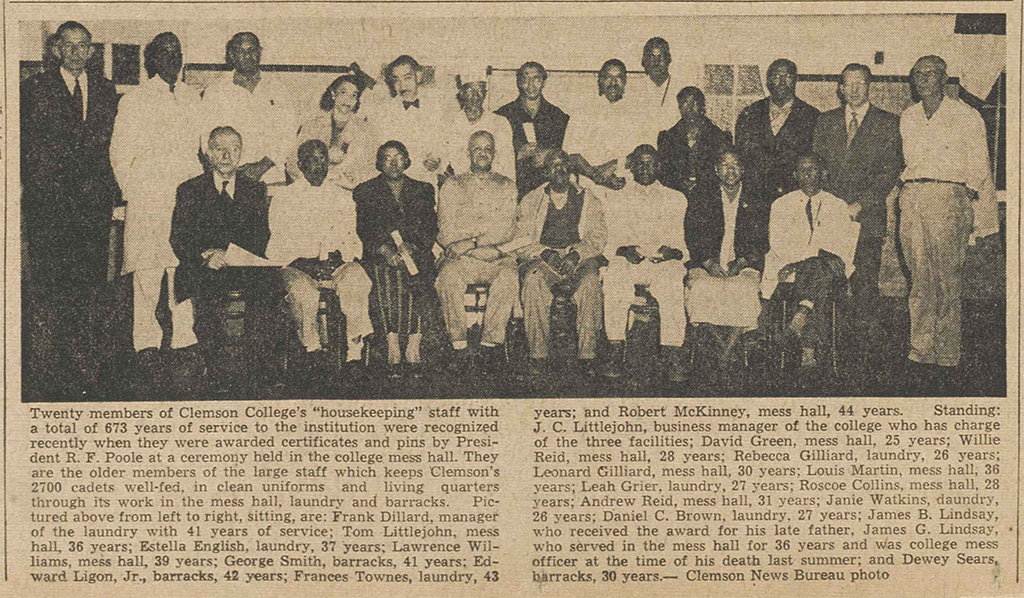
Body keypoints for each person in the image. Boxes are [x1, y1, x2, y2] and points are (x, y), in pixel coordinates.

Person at [20, 21, 120, 395]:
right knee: (50, 288)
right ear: (56, 50)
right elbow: (29, 151)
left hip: (93, 208)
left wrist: (104, 195)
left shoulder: (107, 90)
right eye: (71, 46)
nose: (79, 53)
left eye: (86, 46)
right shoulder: (35, 89)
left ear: (93, 51)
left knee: (89, 287)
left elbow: (112, 148)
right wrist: (54, 192)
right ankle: (47, 370)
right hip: (50, 208)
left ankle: (85, 366)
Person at [110, 32, 202, 384]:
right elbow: (119, 154)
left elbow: (202, 148)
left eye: (177, 52)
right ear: (151, 59)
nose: (172, 58)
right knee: (148, 272)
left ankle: (184, 337)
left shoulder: (193, 97)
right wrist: (138, 193)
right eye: (164, 53)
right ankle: (145, 341)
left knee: (183, 268)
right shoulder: (134, 99)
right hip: (149, 197)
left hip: (186, 197)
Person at [898, 55, 995, 370]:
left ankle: (947, 351)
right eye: (918, 75)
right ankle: (921, 346)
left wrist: (960, 200)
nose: (923, 80)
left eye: (930, 74)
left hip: (947, 197)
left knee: (946, 278)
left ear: (944, 78)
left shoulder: (966, 116)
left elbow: (979, 166)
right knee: (919, 278)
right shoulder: (908, 116)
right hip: (912, 196)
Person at [169, 127, 271, 385]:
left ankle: (255, 367)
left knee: (269, 289)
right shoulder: (190, 190)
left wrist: (231, 253)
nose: (227, 155)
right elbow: (179, 237)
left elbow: (261, 236)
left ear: (241, 153)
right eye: (219, 149)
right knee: (205, 293)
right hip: (203, 267)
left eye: (234, 149)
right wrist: (205, 255)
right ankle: (214, 369)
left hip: (242, 265)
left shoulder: (254, 190)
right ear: (208, 154)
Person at [266, 140, 373, 371]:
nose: (319, 164)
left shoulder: (342, 197)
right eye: (312, 159)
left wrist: (340, 258)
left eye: (323, 158)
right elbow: (279, 241)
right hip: (298, 266)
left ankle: (354, 351)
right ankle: (311, 349)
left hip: (335, 264)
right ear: (301, 164)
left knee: (357, 279)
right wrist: (307, 262)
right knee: (303, 292)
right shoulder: (284, 198)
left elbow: (352, 237)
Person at [812, 63, 903, 300]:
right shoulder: (825, 121)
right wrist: (831, 207)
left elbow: (889, 173)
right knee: (831, 285)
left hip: (868, 218)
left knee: (864, 286)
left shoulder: (888, 122)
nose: (854, 89)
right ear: (840, 88)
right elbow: (818, 169)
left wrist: (859, 205)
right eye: (848, 84)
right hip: (831, 217)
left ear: (869, 86)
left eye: (860, 83)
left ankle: (862, 337)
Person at [600, 145, 689, 381]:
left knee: (672, 279)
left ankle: (673, 351)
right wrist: (623, 250)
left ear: (659, 166)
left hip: (662, 262)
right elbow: (610, 241)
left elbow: (681, 245)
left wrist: (673, 252)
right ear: (632, 166)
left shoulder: (676, 198)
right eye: (640, 162)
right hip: (631, 261)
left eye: (650, 163)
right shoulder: (616, 197)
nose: (645, 167)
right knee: (614, 274)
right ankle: (615, 347)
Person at [762, 154, 859, 368]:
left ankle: (802, 314)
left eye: (813, 169)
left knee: (818, 268)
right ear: (795, 175)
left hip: (822, 270)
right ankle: (808, 343)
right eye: (802, 169)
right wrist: (806, 260)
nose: (807, 173)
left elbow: (840, 247)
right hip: (795, 269)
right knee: (818, 271)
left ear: (824, 174)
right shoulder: (781, 205)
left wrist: (801, 263)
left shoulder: (838, 205)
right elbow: (777, 242)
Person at [515, 150, 606, 372]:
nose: (560, 170)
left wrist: (577, 253)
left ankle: (587, 356)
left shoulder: (588, 199)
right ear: (545, 171)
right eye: (554, 166)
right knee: (533, 282)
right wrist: (544, 252)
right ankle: (538, 354)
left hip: (579, 258)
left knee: (590, 284)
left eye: (564, 164)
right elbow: (520, 238)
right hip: (543, 259)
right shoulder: (531, 200)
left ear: (570, 169)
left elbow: (598, 236)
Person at [435, 132, 519, 371]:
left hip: (495, 258)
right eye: (477, 148)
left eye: (487, 149)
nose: (482, 153)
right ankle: (458, 344)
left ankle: (491, 345)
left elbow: (506, 230)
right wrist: (475, 249)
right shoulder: (452, 185)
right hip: (462, 259)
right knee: (447, 276)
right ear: (468, 153)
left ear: (494, 154)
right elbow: (445, 231)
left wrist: (470, 244)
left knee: (509, 276)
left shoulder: (506, 185)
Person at [355, 141, 438, 374]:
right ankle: (391, 340)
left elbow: (430, 226)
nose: (393, 162)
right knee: (385, 273)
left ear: (408, 161)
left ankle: (414, 340)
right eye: (387, 157)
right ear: (378, 163)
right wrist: (385, 250)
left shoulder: (423, 189)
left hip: (415, 251)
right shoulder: (365, 190)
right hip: (381, 253)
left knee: (419, 271)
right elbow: (365, 227)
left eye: (399, 157)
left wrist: (413, 245)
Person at [684, 147, 768, 365]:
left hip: (744, 262)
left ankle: (724, 352)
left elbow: (762, 238)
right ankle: (727, 348)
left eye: (735, 165)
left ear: (743, 169)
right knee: (700, 288)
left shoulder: (757, 197)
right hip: (707, 262)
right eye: (724, 165)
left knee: (746, 289)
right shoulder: (702, 195)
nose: (730, 171)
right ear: (716, 170)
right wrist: (709, 262)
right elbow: (692, 233)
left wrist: (741, 262)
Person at [199, 32, 293, 185]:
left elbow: (287, 134)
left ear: (260, 52)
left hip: (271, 176)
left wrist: (261, 167)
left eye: (252, 50)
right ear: (232, 55)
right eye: (241, 51)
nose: (247, 56)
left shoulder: (278, 89)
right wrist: (231, 171)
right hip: (229, 180)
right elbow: (207, 140)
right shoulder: (215, 91)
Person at [735, 59, 820, 206]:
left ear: (795, 80)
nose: (781, 82)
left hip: (794, 199)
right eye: (776, 76)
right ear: (767, 82)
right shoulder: (749, 114)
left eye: (787, 76)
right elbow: (741, 158)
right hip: (755, 199)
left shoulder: (812, 117)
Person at [564, 59, 656, 191]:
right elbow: (571, 156)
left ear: (625, 82)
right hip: (589, 188)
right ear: (600, 81)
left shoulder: (639, 114)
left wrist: (616, 164)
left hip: (628, 190)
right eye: (608, 77)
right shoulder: (582, 113)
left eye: (618, 77)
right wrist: (596, 175)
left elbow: (645, 152)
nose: (613, 82)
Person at [287, 72, 378, 192]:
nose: (348, 100)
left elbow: (374, 167)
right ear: (333, 94)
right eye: (343, 92)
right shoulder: (312, 125)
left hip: (348, 192)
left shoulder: (366, 129)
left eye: (354, 95)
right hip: (311, 190)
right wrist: (309, 185)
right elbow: (293, 162)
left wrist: (354, 183)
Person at [495, 61, 570, 200]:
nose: (531, 85)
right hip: (512, 190)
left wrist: (548, 155)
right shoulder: (503, 115)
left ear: (544, 82)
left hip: (548, 193)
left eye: (536, 79)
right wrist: (517, 155)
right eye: (525, 79)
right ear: (518, 82)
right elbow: (493, 156)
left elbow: (567, 155)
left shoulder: (558, 116)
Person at [369, 55, 446, 187]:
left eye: (407, 78)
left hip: (426, 182)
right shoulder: (383, 113)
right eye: (396, 80)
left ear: (419, 76)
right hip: (393, 183)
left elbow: (444, 144)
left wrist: (438, 162)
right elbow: (379, 153)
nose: (402, 86)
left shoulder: (436, 109)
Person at [439, 68, 515, 186]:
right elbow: (441, 165)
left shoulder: (499, 123)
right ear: (462, 93)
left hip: (493, 189)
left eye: (480, 90)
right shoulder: (449, 124)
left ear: (485, 93)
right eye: (470, 91)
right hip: (459, 190)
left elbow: (508, 166)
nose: (475, 97)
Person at [658, 86, 732, 194]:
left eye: (695, 103)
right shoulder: (667, 138)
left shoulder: (720, 137)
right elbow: (663, 173)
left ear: (702, 106)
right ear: (679, 107)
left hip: (709, 196)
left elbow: (723, 173)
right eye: (685, 103)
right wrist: (680, 183)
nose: (691, 108)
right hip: (675, 195)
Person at [638, 37, 681, 132]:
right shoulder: (635, 91)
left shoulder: (680, 88)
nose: (656, 63)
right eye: (652, 57)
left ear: (669, 59)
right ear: (644, 61)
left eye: (660, 57)